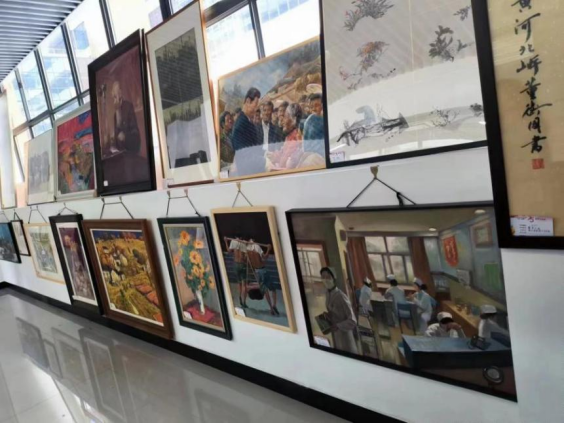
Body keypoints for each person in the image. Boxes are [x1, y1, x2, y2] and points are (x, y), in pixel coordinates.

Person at [320, 267, 359, 355]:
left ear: (333, 278)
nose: (325, 280)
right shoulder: (328, 293)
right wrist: (328, 314)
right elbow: (335, 311)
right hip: (335, 333)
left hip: (345, 334)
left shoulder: (341, 296)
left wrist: (338, 326)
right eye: (323, 277)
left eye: (328, 277)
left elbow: (353, 321)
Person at [231, 88, 265, 176]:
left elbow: (253, 148)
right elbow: (245, 157)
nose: (257, 108)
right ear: (248, 101)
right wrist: (265, 161)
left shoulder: (247, 121)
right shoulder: (240, 125)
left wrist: (265, 154)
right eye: (256, 104)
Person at [246, 239, 279, 316]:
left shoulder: (247, 249)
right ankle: (274, 305)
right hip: (263, 270)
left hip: (257, 271)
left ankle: (271, 308)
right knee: (273, 289)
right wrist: (268, 249)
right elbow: (265, 257)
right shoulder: (257, 246)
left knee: (265, 290)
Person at [269, 103, 303, 169]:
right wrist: (272, 156)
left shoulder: (295, 139)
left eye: (285, 116)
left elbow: (282, 163)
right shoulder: (289, 136)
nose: (282, 120)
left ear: (293, 120)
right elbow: (282, 152)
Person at [112, 81, 141, 153]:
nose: (115, 98)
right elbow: (117, 135)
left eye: (117, 93)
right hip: (121, 152)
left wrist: (125, 137)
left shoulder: (128, 106)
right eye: (114, 95)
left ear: (120, 93)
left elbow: (135, 133)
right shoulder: (115, 115)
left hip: (131, 150)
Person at [225, 235, 248, 308]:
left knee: (239, 283)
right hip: (242, 264)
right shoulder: (243, 243)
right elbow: (245, 257)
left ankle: (239, 296)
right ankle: (244, 302)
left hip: (236, 264)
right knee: (244, 284)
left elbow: (228, 251)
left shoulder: (233, 241)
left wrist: (226, 242)